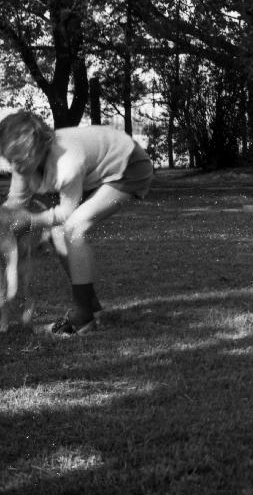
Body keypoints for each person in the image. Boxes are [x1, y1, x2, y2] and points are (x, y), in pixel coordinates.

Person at [0, 111, 153, 336]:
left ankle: (83, 319)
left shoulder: (67, 163)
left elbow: (66, 212)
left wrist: (32, 220)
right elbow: (14, 205)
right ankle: (92, 308)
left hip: (129, 167)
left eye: (21, 160)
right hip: (97, 167)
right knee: (59, 233)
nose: (17, 167)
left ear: (40, 148)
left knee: (74, 228)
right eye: (11, 159)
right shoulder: (23, 160)